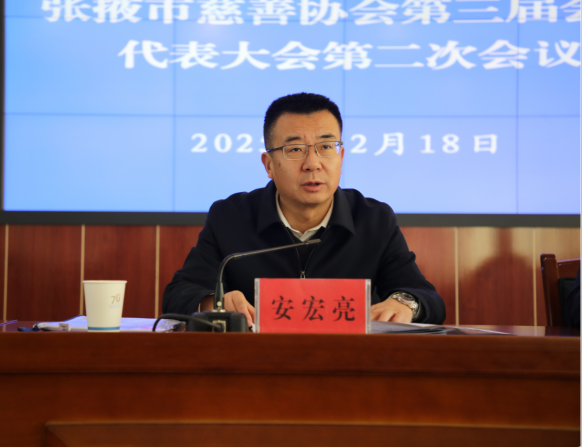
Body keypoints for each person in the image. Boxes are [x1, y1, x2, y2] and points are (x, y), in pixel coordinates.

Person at [163, 93, 445, 326]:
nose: (313, 163)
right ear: (269, 165)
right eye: (295, 149)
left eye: (326, 146)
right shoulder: (231, 217)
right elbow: (179, 294)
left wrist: (404, 303)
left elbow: (427, 298)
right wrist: (215, 303)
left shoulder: (373, 219)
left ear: (341, 157)